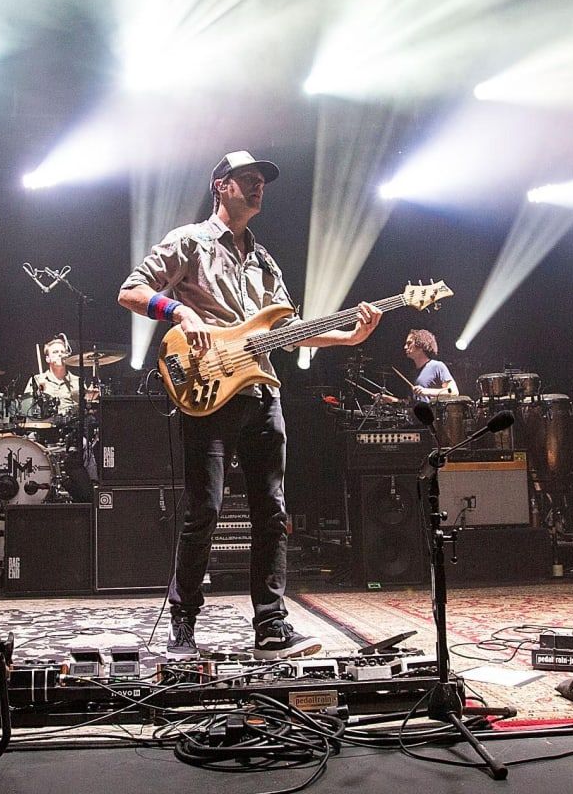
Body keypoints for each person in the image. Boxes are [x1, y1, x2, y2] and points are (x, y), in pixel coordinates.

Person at [118, 150, 382, 659]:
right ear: (221, 186)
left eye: (262, 181)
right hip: (207, 390)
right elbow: (130, 290)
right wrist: (178, 313)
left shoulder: (264, 262)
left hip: (263, 394)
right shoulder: (189, 241)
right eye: (247, 179)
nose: (258, 187)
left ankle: (271, 624)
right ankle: (183, 618)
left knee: (272, 510)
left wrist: (347, 337)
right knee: (205, 510)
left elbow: (284, 331)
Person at [22, 336, 82, 417]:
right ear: (48, 359)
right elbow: (26, 409)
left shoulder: (77, 381)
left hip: (71, 426)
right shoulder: (37, 380)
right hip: (44, 425)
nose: (60, 354)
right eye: (55, 352)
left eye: (62, 352)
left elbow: (84, 409)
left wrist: (90, 397)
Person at [402, 329, 459, 401]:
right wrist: (392, 400)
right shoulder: (413, 373)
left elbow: (453, 391)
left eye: (409, 343)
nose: (405, 347)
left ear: (420, 345)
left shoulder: (437, 366)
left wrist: (426, 391)